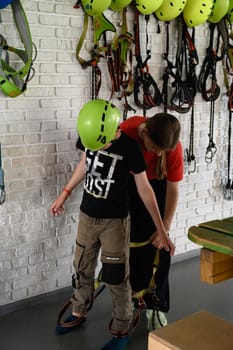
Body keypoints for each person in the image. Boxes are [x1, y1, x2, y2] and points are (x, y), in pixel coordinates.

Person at [50, 99, 175, 350]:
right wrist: (65, 192)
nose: (100, 147)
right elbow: (86, 162)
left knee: (116, 277)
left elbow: (145, 190)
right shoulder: (91, 136)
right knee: (82, 267)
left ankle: (121, 328)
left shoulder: (129, 149)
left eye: (105, 142)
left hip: (115, 223)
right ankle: (78, 310)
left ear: (115, 131)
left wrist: (163, 230)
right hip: (87, 217)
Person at [120, 113, 183, 331]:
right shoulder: (127, 130)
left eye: (163, 151)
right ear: (144, 132)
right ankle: (128, 302)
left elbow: (173, 190)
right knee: (131, 246)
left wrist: (164, 227)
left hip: (157, 184)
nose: (158, 153)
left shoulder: (172, 148)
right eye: (155, 147)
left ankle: (156, 307)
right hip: (128, 182)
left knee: (160, 248)